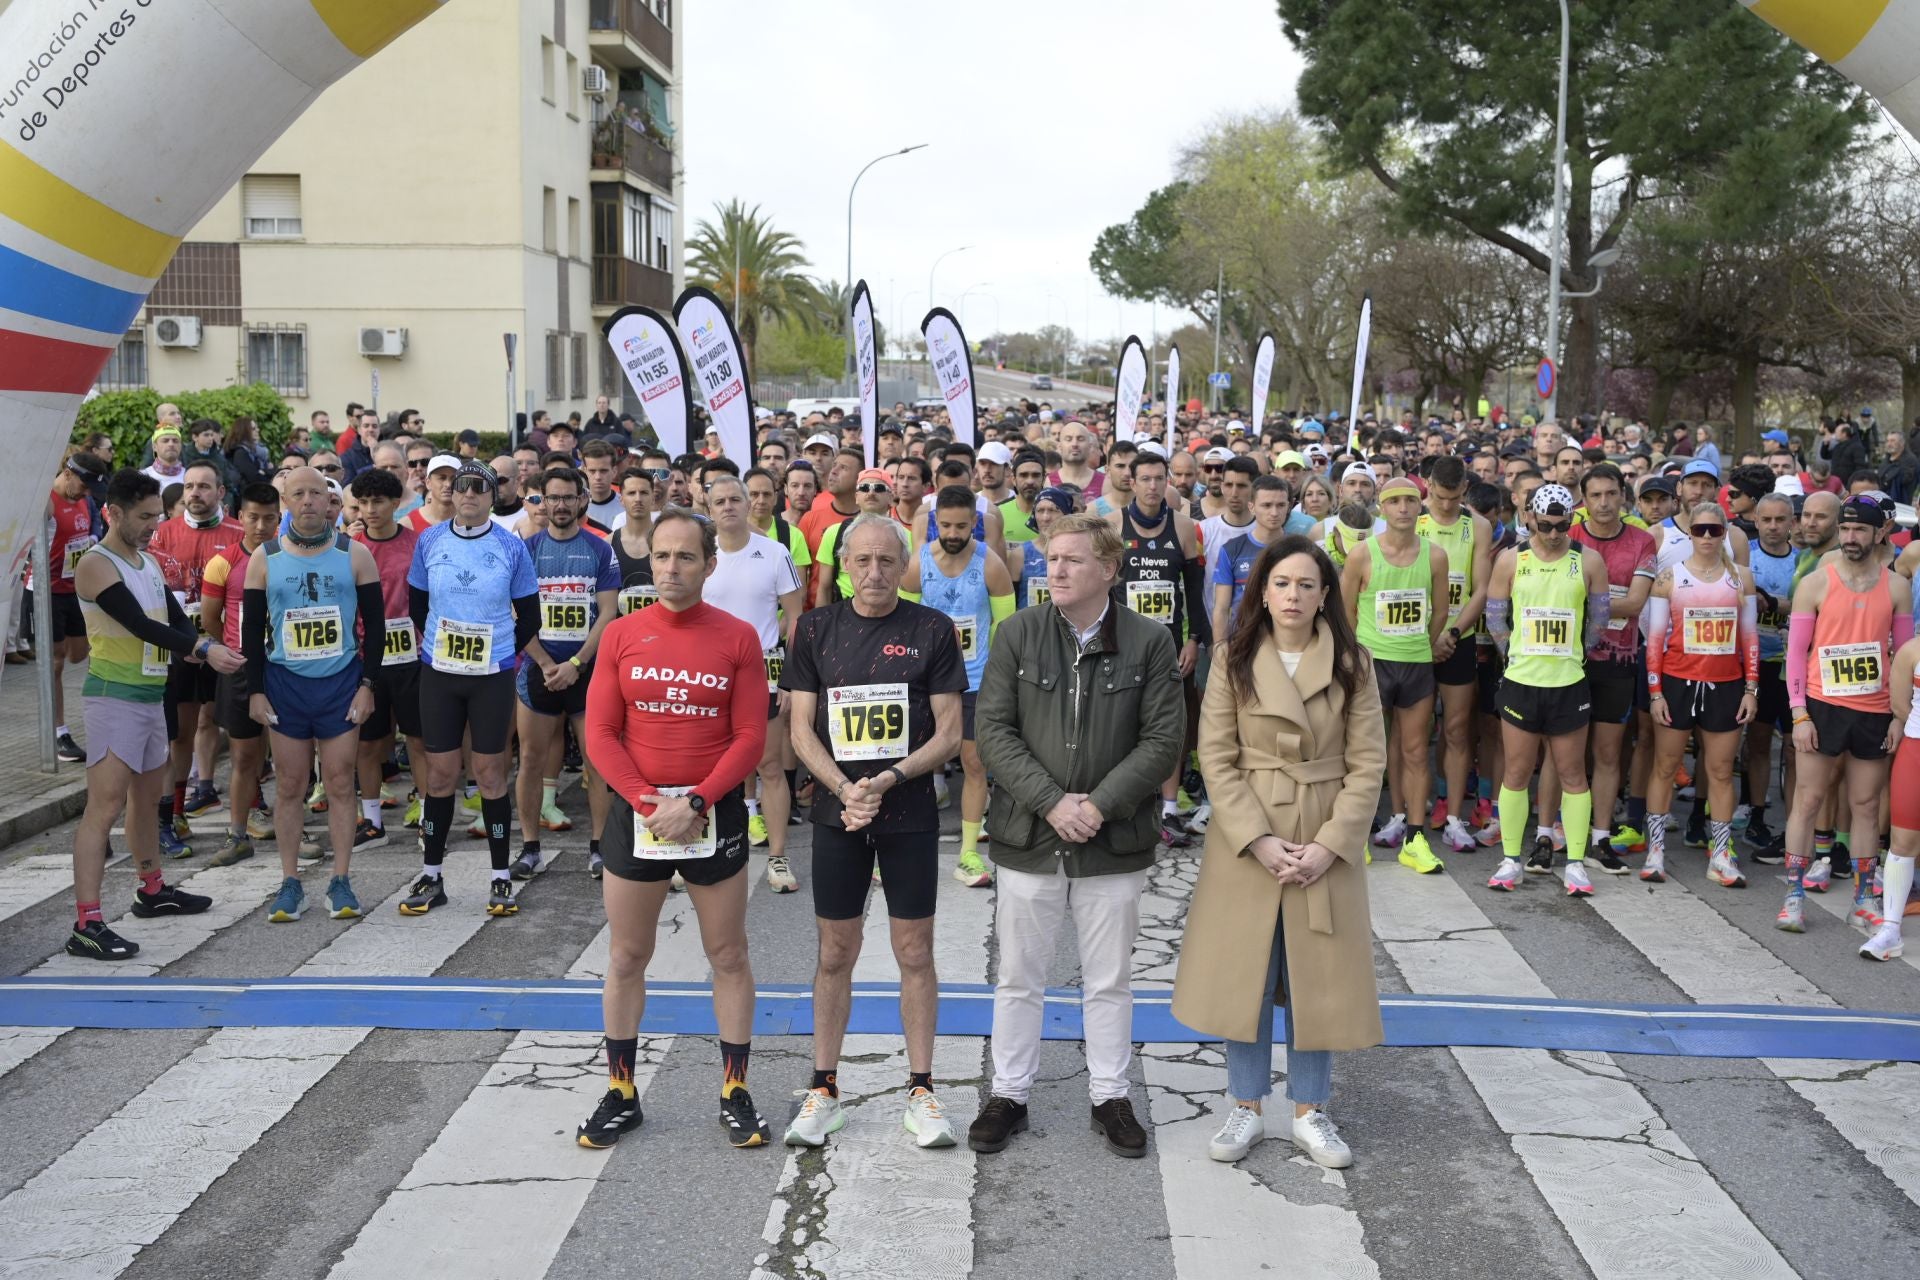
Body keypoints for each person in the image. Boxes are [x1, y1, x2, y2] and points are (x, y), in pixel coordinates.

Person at [969, 513, 1184, 1158]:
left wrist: (1101, 804)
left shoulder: (1150, 641)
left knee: (1110, 979)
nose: (1055, 570)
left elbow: (1164, 739)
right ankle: (1008, 1094)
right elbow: (995, 732)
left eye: (1071, 560)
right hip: (1029, 835)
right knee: (1018, 977)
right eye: (1051, 559)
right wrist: (1052, 802)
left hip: (1111, 841)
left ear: (1109, 570)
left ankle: (1110, 1097)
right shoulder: (1018, 632)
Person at [1172, 534, 1384, 1168]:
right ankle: (1245, 1104)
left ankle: (1311, 1111)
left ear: (1326, 598)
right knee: (1248, 976)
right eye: (1283, 583)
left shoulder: (1354, 664)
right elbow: (1216, 755)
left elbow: (1367, 764)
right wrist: (1258, 839)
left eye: (1307, 585)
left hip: (1322, 826)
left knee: (1315, 977)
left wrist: (1330, 845)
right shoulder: (1234, 658)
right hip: (1250, 836)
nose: (1294, 595)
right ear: (1262, 591)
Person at [574, 507, 771, 1148]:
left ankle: (735, 1089)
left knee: (729, 955)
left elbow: (749, 736)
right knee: (628, 956)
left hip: (713, 814)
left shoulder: (738, 637)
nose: (671, 568)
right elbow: (600, 733)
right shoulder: (623, 635)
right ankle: (622, 1089)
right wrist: (645, 801)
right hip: (640, 816)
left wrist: (699, 799)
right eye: (661, 556)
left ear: (709, 566)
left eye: (686, 557)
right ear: (648, 561)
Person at [781, 515, 966, 1151]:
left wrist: (886, 779)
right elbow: (800, 727)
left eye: (887, 561)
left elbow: (947, 731)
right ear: (845, 563)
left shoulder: (931, 629)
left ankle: (921, 1089)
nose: (874, 573)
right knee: (836, 953)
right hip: (840, 814)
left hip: (908, 808)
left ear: (903, 564)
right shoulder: (814, 627)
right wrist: (842, 790)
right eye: (862, 561)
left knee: (915, 952)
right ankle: (824, 1087)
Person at [65, 470, 244, 959]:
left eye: (157, 517)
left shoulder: (146, 562)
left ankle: (151, 890)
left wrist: (204, 644)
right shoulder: (96, 565)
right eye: (144, 517)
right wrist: (204, 651)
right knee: (102, 809)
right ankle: (87, 922)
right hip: (113, 698)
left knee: (146, 802)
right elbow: (141, 624)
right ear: (114, 512)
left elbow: (175, 620)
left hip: (150, 695)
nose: (152, 526)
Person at [240, 467, 384, 922]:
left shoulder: (355, 554)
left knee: (341, 783)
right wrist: (256, 692)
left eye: (315, 494)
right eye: (297, 493)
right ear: (285, 501)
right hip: (286, 685)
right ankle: (290, 883)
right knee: (289, 786)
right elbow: (250, 633)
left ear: (330, 501)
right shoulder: (264, 558)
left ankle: (340, 881)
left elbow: (375, 628)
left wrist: (367, 686)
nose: (306, 501)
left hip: (341, 682)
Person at [402, 462, 542, 918]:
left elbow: (531, 616)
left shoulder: (510, 545)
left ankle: (501, 879)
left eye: (481, 488)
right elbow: (418, 604)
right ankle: (431, 874)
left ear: (492, 497)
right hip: (440, 672)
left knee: (490, 775)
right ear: (450, 492)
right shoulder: (430, 540)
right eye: (461, 486)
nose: (469, 495)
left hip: (491, 676)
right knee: (439, 776)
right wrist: (444, 646)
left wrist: (502, 652)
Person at [1778, 496, 1911, 932]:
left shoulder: (1896, 587)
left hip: (1873, 712)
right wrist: (1799, 714)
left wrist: (1898, 715)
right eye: (1847, 529)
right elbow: (1796, 654)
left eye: (1860, 530)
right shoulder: (1817, 582)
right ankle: (1794, 894)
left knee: (1866, 806)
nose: (1851, 538)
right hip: (1822, 705)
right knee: (1809, 800)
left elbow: (1906, 657)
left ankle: (1863, 898)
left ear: (1879, 534)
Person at [1485, 483, 1612, 896]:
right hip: (1523, 682)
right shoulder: (1510, 560)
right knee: (1517, 771)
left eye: (1563, 525)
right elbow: (1495, 617)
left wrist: (1572, 656)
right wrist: (1516, 656)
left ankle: (1575, 862)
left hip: (1568, 683)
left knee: (1574, 773)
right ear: (1530, 519)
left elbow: (1599, 620)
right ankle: (1510, 860)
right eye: (1546, 525)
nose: (1555, 533)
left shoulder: (1589, 561)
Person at [1640, 502, 1758, 888]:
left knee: (1721, 771)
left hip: (1726, 686)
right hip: (1677, 682)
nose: (1707, 536)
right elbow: (1655, 641)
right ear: (1689, 532)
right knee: (1665, 765)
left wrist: (1751, 689)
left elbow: (1750, 639)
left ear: (1725, 532)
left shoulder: (1741, 578)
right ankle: (1655, 849)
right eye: (1700, 529)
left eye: (1715, 530)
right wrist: (1656, 694)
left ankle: (1721, 853)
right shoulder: (1668, 577)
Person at [904, 484, 1017, 889]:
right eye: (946, 525)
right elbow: (901, 621)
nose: (953, 534)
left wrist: (1001, 680)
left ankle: (968, 852)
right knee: (911, 768)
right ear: (936, 522)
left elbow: (1006, 626)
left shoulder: (990, 564)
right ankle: (897, 849)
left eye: (961, 526)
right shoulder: (918, 564)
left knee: (974, 765)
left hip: (975, 681)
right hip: (925, 684)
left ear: (975, 523)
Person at [512, 467, 620, 879]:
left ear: (581, 501)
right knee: (531, 761)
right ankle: (529, 848)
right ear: (540, 501)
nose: (558, 505)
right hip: (538, 669)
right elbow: (515, 613)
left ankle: (599, 848)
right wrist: (544, 663)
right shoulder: (526, 549)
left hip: (587, 672)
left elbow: (609, 613)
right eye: (549, 498)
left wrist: (576, 665)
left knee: (597, 762)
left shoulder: (599, 549)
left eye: (566, 498)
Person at [702, 474, 805, 893]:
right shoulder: (699, 555)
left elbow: (797, 620)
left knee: (770, 768)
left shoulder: (775, 552)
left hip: (763, 675)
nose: (728, 506)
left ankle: (778, 858)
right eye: (719, 501)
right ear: (708, 509)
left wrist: (793, 681)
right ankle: (691, 853)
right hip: (707, 678)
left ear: (749, 504)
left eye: (734, 499)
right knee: (703, 768)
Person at [1341, 475, 1449, 873]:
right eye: (1394, 501)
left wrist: (1423, 643)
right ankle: (1356, 836)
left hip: (1416, 663)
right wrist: (1357, 655)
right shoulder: (1362, 555)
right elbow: (1345, 609)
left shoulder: (1435, 556)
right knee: (1364, 754)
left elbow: (1440, 611)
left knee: (1416, 751)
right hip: (1372, 665)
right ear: (1382, 508)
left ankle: (1415, 839)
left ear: (1419, 505)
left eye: (1409, 500)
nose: (1403, 507)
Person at [1106, 446, 1209, 845]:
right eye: (1145, 479)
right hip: (1125, 645)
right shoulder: (1112, 525)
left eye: (1158, 478)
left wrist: (1195, 641)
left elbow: (1195, 591)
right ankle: (1124, 803)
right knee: (1122, 727)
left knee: (1169, 729)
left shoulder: (1184, 528)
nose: (1152, 486)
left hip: (1170, 645)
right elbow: (1103, 588)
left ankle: (1168, 809)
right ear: (1131, 482)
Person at [147, 460, 243, 858]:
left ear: (220, 492)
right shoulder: (162, 534)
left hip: (228, 646)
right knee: (178, 733)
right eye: (189, 486)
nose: (195, 493)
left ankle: (248, 807)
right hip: (181, 648)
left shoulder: (239, 532)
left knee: (236, 731)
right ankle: (171, 815)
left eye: (204, 486)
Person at [1563, 463, 1656, 869]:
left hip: (1618, 660)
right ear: (1584, 500)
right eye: (1595, 495)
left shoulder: (1642, 541)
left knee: (1607, 753)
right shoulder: (1567, 537)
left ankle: (1601, 836)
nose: (1603, 503)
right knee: (1565, 755)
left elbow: (1636, 604)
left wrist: (1582, 601)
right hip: (1568, 660)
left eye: (1611, 494)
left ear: (1623, 495)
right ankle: (1560, 831)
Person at [201, 484, 284, 864]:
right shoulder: (223, 562)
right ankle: (237, 835)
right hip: (242, 671)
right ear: (240, 517)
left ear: (280, 518)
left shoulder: (291, 557)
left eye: (270, 517)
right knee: (244, 757)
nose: (262, 525)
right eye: (253, 517)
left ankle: (291, 832)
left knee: (289, 757)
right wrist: (236, 651)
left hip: (286, 668)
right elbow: (209, 619)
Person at [1417, 456, 1495, 855]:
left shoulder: (1478, 526)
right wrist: (1430, 635)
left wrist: (1450, 633)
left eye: (1453, 498)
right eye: (1439, 496)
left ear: (1465, 489)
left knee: (1457, 728)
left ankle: (1452, 812)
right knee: (1413, 732)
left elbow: (1481, 589)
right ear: (1428, 485)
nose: (1445, 505)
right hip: (1414, 636)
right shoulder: (1412, 520)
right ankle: (1412, 810)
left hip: (1456, 636)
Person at [1743, 493, 1801, 858]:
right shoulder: (1745, 555)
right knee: (1759, 741)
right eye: (1767, 520)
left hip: (1791, 665)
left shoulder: (1802, 560)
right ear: (1757, 521)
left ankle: (1796, 823)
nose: (1774, 526)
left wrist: (1776, 605)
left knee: (1795, 748)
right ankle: (1757, 814)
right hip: (1757, 663)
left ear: (1792, 522)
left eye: (1781, 520)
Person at [45, 453, 110, 762]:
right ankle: (59, 732)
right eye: (83, 485)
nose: (86, 493)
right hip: (47, 591)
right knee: (55, 663)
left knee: (78, 655)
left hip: (76, 589)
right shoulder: (47, 501)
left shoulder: (83, 498)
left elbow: (90, 528)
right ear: (67, 473)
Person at [1864, 633, 1920, 959]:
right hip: (1915, 749)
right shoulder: (1912, 650)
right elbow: (1900, 706)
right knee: (1902, 844)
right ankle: (1890, 931)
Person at [406, 454, 459, 531]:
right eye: (442, 478)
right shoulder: (409, 524)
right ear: (428, 483)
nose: (448, 484)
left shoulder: (472, 521)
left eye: (453, 478)